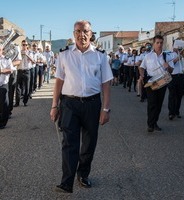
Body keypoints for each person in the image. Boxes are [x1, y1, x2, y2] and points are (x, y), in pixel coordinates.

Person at [50, 20, 113, 193]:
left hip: (92, 104)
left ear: (91, 33)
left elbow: (106, 84)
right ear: (73, 33)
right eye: (78, 31)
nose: (81, 34)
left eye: (85, 31)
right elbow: (59, 82)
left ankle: (83, 174)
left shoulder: (101, 55)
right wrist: (54, 105)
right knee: (69, 143)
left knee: (89, 143)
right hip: (69, 103)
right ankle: (66, 182)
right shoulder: (64, 55)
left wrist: (106, 109)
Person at [139, 35, 174, 132]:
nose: (159, 45)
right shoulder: (147, 56)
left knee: (159, 103)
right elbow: (141, 67)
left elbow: (171, 71)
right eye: (157, 43)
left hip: (163, 80)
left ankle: (154, 123)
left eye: (161, 43)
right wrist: (142, 76)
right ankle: (150, 124)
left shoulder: (167, 56)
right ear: (153, 43)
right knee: (152, 103)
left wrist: (168, 67)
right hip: (151, 81)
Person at [168, 44, 184, 120]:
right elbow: (169, 65)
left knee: (179, 95)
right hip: (173, 76)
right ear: (173, 47)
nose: (178, 48)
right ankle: (171, 113)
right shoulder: (170, 55)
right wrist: (177, 58)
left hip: (182, 76)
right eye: (177, 46)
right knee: (172, 95)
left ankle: (177, 111)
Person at [0, 44, 15, 129]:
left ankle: (3, 123)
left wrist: (2, 71)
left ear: (2, 50)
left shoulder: (7, 59)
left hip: (3, 84)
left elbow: (11, 70)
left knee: (4, 103)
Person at [8, 44, 22, 117]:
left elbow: (18, 61)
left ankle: (8, 111)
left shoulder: (15, 46)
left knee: (9, 93)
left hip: (11, 72)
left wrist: (7, 64)